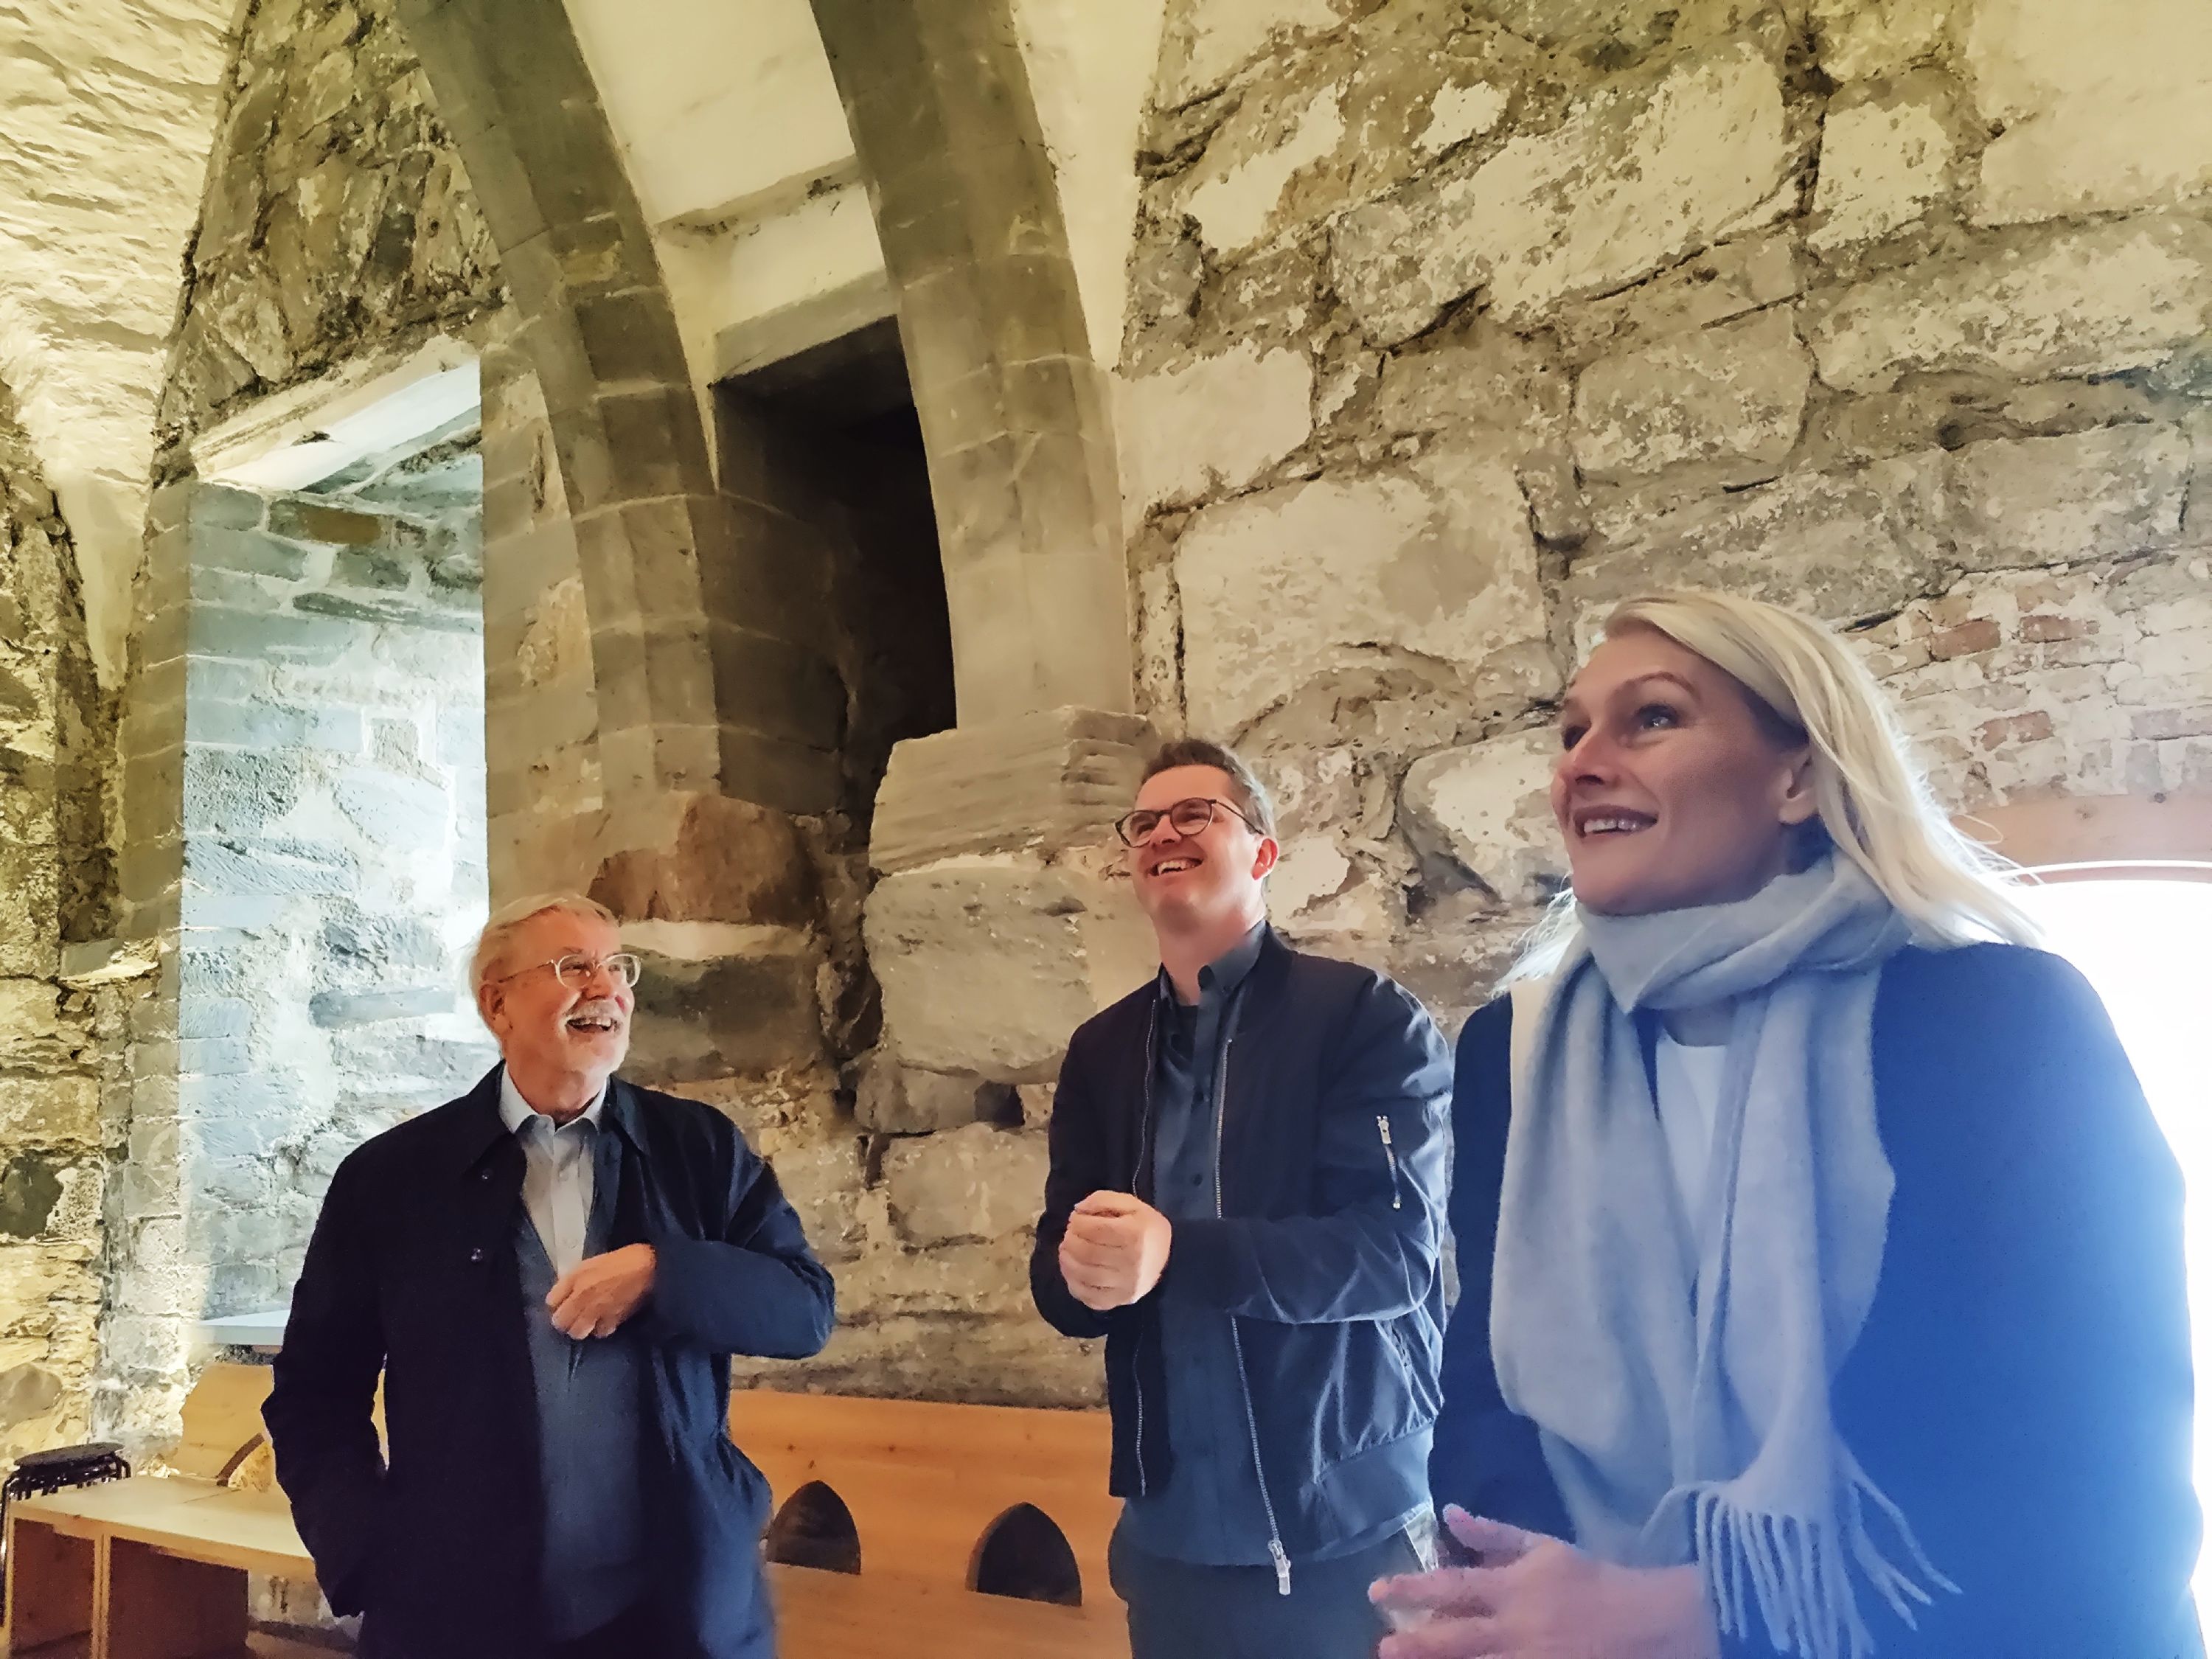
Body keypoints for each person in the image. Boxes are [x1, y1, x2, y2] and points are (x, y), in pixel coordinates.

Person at [1374, 591, 2200, 1659]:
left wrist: (1704, 1613)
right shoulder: (1513, 1053)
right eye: (1571, 731)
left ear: (1797, 778)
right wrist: (1538, 1587)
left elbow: (2095, 1480)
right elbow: (1487, 1391)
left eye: (1652, 717)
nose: (1581, 764)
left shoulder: (1999, 1020)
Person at [264, 893, 835, 1659]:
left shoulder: (699, 1149)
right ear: (496, 1004)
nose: (606, 988)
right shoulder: (392, 1179)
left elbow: (805, 1309)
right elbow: (314, 1393)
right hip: (460, 1619)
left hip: (677, 1612)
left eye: (617, 967)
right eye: (572, 967)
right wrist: (366, 1550)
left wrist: (665, 1273)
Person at [1032, 737, 1454, 1659]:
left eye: (1196, 814)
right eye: (1144, 822)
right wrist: (1079, 1276)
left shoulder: (1364, 1018)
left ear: (1263, 853)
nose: (1162, 833)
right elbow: (1062, 1282)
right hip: (1171, 1542)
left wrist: (1175, 1252)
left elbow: (1392, 1257)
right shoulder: (1101, 1051)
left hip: (1350, 1530)